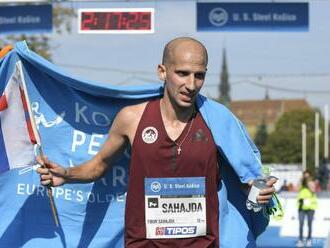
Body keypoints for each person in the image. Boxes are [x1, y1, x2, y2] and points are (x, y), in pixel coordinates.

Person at [37, 37, 276, 247]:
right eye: (182, 73)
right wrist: (67, 174)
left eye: (199, 75)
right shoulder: (131, 118)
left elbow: (242, 177)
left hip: (202, 244)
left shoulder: (217, 120)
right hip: (143, 243)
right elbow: (99, 165)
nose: (191, 85)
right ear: (162, 71)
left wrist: (256, 190)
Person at [296, 173, 318, 248]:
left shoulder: (311, 183)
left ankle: (309, 240)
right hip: (301, 207)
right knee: (301, 223)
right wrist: (301, 181)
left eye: (307, 177)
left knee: (309, 224)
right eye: (305, 176)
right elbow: (297, 189)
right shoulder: (301, 183)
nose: (306, 178)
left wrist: (308, 182)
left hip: (310, 207)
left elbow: (313, 190)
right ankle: (300, 240)